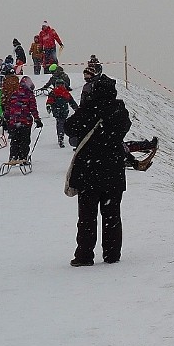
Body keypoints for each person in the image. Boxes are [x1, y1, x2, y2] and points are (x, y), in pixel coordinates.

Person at [64, 70, 131, 266]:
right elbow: (125, 127)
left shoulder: (89, 108)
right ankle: (112, 254)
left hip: (89, 171)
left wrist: (85, 110)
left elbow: (69, 128)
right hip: (113, 171)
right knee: (112, 216)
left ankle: (84, 256)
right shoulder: (119, 110)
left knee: (87, 217)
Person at [4, 76, 42, 163]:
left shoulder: (14, 93)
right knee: (24, 141)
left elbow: (8, 107)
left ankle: (13, 157)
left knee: (15, 140)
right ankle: (23, 157)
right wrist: (37, 119)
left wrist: (7, 118)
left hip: (13, 122)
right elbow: (33, 108)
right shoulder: (29, 94)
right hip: (25, 122)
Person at [46, 79, 79, 148]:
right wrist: (77, 109)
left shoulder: (53, 92)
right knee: (62, 123)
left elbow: (49, 100)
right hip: (64, 110)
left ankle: (60, 137)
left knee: (59, 123)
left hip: (56, 111)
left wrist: (48, 106)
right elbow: (72, 102)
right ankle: (61, 136)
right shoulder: (65, 92)